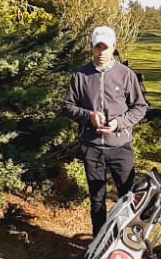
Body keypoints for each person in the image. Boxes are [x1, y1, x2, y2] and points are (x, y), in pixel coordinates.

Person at [62, 25, 149, 234]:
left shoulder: (126, 74)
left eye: (105, 47)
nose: (101, 52)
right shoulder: (81, 76)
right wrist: (88, 117)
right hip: (92, 147)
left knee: (127, 197)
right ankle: (99, 241)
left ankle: (124, 240)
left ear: (114, 47)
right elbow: (68, 106)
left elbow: (140, 107)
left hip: (120, 146)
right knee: (97, 199)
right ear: (92, 47)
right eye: (97, 47)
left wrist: (119, 123)